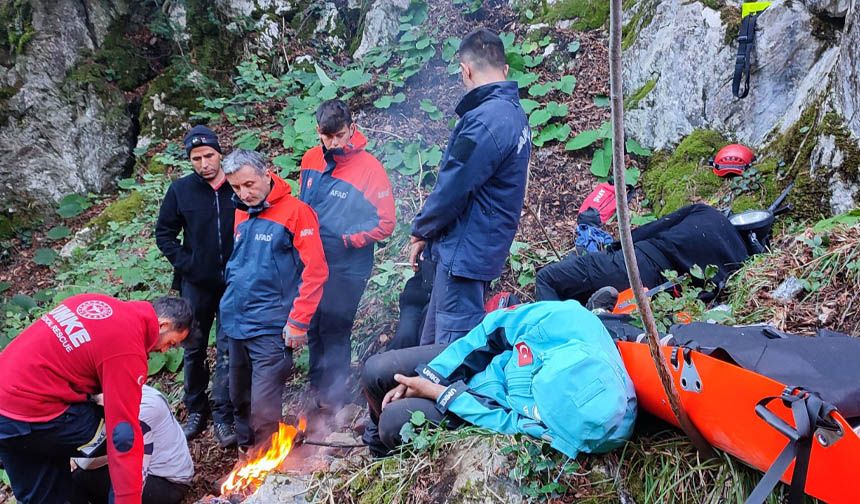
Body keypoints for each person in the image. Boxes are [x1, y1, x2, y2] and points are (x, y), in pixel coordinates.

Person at [360, 301, 637, 457]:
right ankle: (372, 446)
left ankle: (383, 458)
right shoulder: (565, 321)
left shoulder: (586, 428)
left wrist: (438, 393)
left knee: (394, 423)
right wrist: (431, 375)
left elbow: (506, 420)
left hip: (482, 403)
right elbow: (492, 332)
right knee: (376, 371)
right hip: (489, 361)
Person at [0, 294, 193, 504]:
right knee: (131, 440)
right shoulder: (127, 348)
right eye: (171, 343)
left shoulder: (93, 302)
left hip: (6, 411)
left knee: (40, 495)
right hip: (36, 411)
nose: (165, 349)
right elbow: (123, 436)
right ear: (163, 325)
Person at [409, 28, 531, 345]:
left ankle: (446, 396)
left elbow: (454, 186)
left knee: (449, 352)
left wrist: (422, 229)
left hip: (465, 253)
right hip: (480, 249)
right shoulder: (515, 114)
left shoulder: (485, 119)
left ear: (466, 70)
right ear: (504, 69)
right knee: (432, 343)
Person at [219, 149, 328, 452]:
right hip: (236, 319)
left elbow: (316, 271)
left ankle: (265, 464)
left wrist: (298, 321)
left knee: (263, 404)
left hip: (271, 323)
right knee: (238, 395)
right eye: (237, 188)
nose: (244, 193)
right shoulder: (241, 210)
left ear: (267, 174)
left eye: (249, 184)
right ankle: (246, 453)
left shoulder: (296, 212)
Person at [299, 99, 395, 409]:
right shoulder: (311, 160)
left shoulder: (370, 169)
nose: (335, 143)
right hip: (314, 260)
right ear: (318, 132)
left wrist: (349, 239)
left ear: (351, 129)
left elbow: (386, 223)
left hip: (349, 264)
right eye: (328, 137)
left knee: (335, 326)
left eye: (340, 135)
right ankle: (317, 389)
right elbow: (303, 209)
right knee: (312, 323)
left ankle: (336, 397)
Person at [155, 124, 236, 446]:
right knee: (193, 349)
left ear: (220, 153)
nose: (204, 164)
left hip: (234, 282)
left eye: (209, 156)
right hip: (196, 285)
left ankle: (223, 413)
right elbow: (164, 234)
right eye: (196, 158)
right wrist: (189, 264)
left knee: (229, 349)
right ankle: (196, 410)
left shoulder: (236, 184)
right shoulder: (181, 191)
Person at [535, 204, 750, 304]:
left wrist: (613, 249)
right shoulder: (741, 262)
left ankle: (553, 340)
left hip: (636, 261)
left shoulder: (706, 212)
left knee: (547, 279)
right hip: (663, 295)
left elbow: (650, 230)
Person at [70, 385, 194, 504]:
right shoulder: (130, 390)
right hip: (160, 470)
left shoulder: (137, 412)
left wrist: (74, 458)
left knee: (78, 476)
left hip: (167, 483)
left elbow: (90, 463)